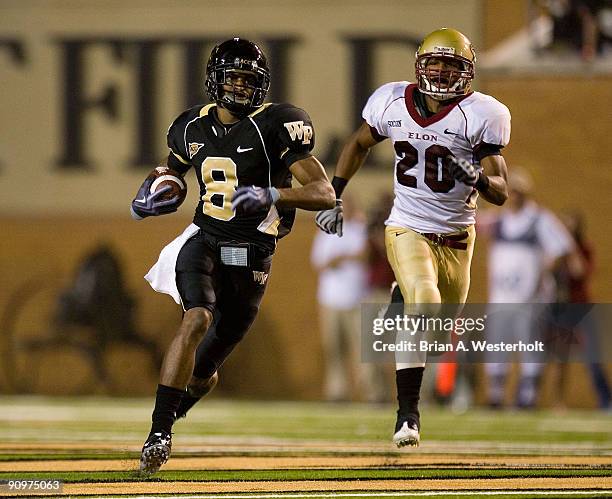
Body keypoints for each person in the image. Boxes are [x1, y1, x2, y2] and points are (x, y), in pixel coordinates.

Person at [130, 38, 335, 474]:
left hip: (254, 254)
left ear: (261, 85)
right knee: (197, 318)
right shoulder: (190, 126)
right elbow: (172, 169)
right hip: (203, 239)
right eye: (233, 77)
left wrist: (274, 193)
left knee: (205, 372)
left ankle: (176, 410)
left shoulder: (279, 124)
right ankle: (158, 433)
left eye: (248, 79)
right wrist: (150, 193)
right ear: (214, 79)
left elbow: (324, 193)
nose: (240, 87)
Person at [315, 28, 511, 448]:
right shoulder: (391, 101)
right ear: (419, 66)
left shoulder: (482, 113)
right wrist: (336, 194)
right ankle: (408, 415)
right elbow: (357, 142)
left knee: (437, 330)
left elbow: (501, 189)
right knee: (425, 300)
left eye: (451, 64)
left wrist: (476, 176)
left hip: (458, 236)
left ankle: (400, 294)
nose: (441, 71)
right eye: (435, 63)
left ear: (467, 71)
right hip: (406, 225)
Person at [479, 169, 574, 409]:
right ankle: (496, 397)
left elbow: (562, 247)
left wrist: (544, 273)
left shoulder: (539, 219)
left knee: (530, 346)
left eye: (520, 192)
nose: (515, 197)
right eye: (513, 192)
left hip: (529, 297)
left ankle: (527, 397)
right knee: (497, 346)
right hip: (500, 297)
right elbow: (474, 223)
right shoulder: (499, 220)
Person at [311, 195, 369, 402]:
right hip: (330, 299)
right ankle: (337, 391)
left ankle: (368, 392)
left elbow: (367, 255)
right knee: (334, 350)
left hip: (357, 297)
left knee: (362, 350)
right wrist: (342, 258)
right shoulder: (326, 233)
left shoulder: (360, 230)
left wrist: (342, 257)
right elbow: (319, 263)